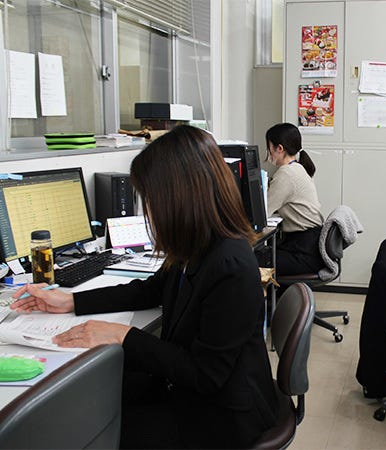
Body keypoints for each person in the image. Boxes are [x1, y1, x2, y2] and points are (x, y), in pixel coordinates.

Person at [10, 125, 279, 449]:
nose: (148, 210)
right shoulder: (198, 246)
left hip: (224, 418)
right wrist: (71, 301)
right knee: (97, 404)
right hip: (191, 392)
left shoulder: (229, 263)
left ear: (178, 198)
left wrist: (122, 335)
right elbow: (149, 290)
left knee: (90, 430)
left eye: (150, 199)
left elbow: (205, 375)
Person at [265, 122, 324, 275]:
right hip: (309, 246)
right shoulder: (297, 167)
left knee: (250, 260)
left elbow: (263, 213)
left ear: (279, 148)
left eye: (269, 147)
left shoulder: (285, 174)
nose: (268, 152)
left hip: (303, 252)